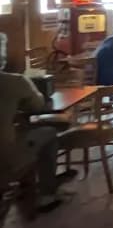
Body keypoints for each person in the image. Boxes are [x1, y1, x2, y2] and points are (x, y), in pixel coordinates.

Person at [0, 72, 63, 211]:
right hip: (5, 159)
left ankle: (24, 186)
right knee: (49, 133)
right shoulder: (14, 80)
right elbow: (37, 105)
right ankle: (47, 195)